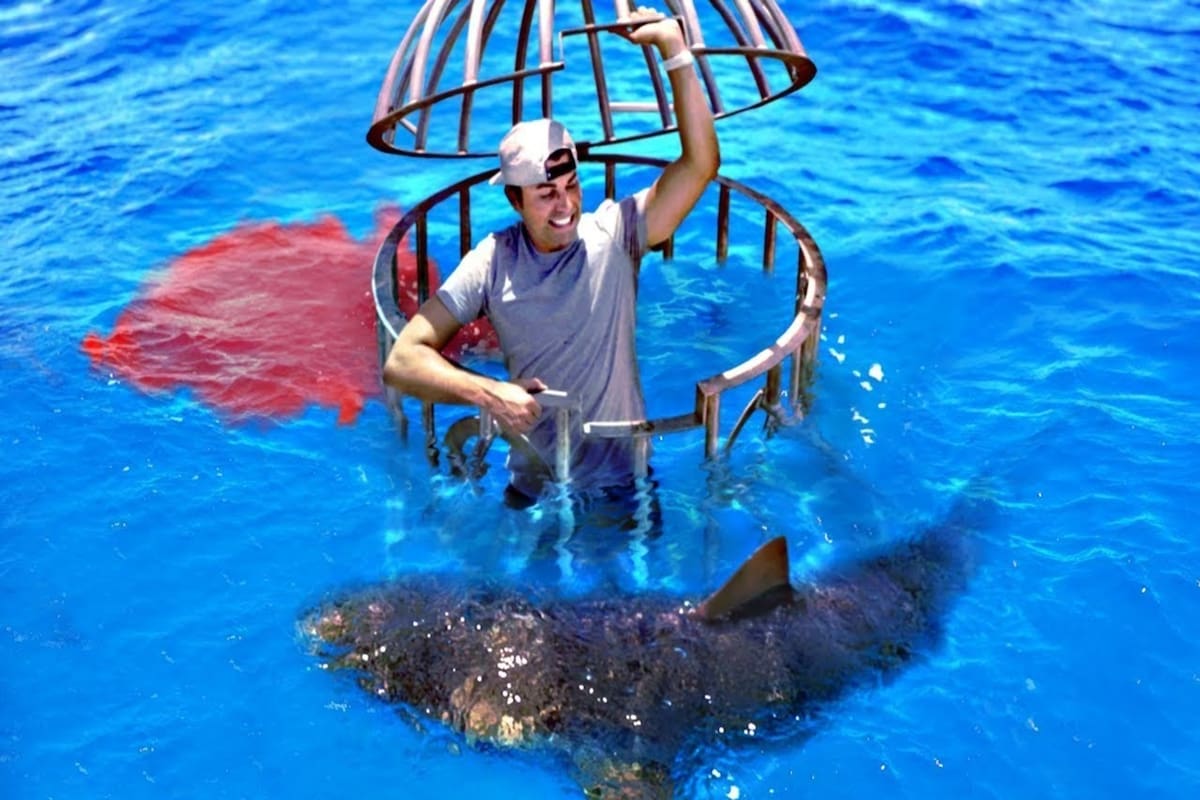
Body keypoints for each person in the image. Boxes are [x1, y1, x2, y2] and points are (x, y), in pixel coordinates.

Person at [383, 8, 719, 510]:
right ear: (515, 201)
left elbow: (701, 164)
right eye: (546, 195)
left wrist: (677, 51)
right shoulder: (493, 261)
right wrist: (489, 393)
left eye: (571, 186)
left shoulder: (617, 233)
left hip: (621, 484)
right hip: (533, 486)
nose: (565, 206)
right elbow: (402, 360)